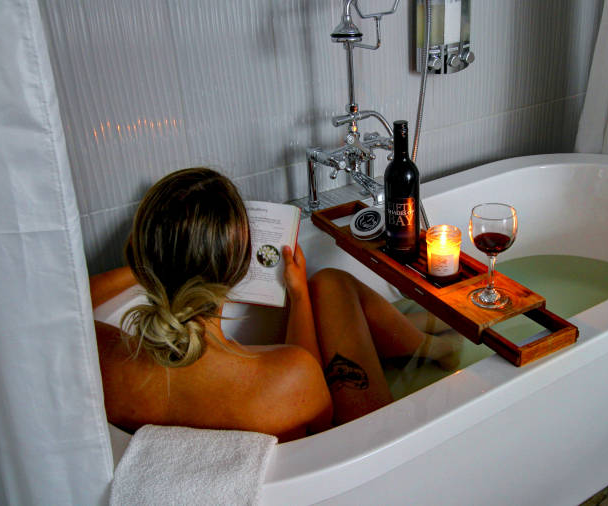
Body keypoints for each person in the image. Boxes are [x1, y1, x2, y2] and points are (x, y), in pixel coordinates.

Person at [91, 167, 457, 442]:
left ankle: (427, 337)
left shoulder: (100, 361)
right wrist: (297, 297)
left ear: (139, 256)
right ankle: (431, 342)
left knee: (328, 283)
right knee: (328, 285)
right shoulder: (293, 374)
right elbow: (316, 406)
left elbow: (64, 304)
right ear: (239, 266)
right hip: (360, 446)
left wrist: (152, 265)